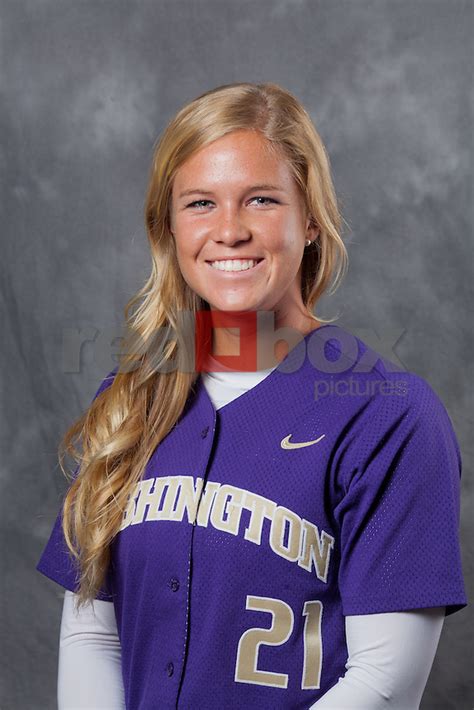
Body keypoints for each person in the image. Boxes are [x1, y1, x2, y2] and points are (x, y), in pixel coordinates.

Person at [36, 82, 467, 709]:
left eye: (261, 200)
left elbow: (385, 682)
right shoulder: (130, 404)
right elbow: (92, 637)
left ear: (311, 219)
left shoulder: (389, 416)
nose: (229, 230)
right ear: (169, 228)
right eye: (200, 203)